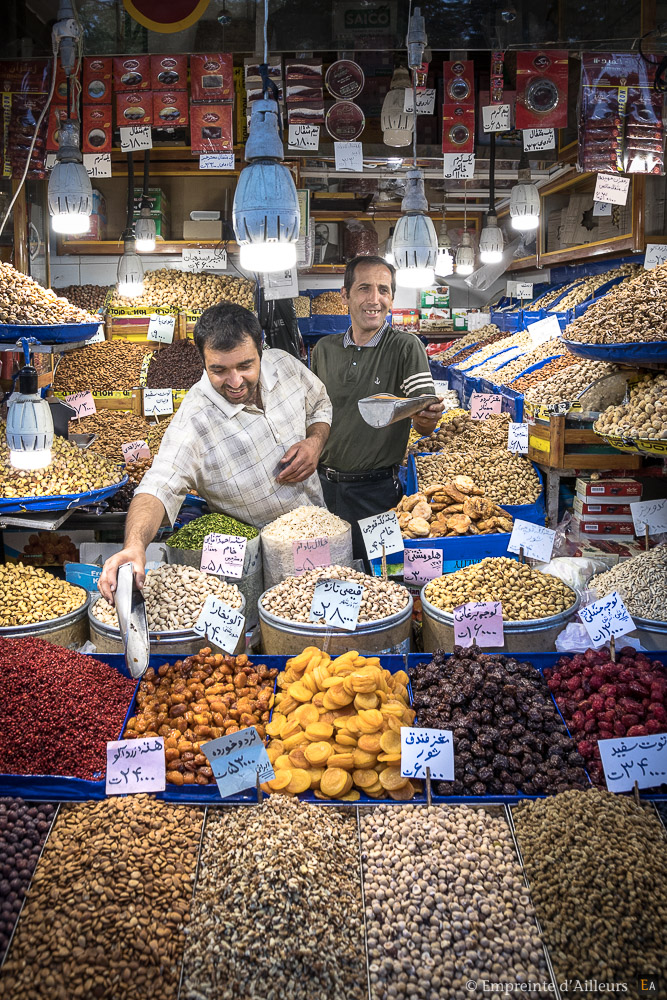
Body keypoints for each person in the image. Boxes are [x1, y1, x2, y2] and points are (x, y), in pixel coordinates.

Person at [98, 302, 332, 603]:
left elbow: (320, 405)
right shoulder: (195, 419)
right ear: (203, 361)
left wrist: (315, 441)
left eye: (245, 366)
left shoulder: (285, 366)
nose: (235, 382)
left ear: (261, 350)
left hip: (321, 534)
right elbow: (158, 484)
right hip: (254, 562)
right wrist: (134, 546)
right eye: (219, 370)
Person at [311, 255, 444, 558]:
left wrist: (427, 415)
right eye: (364, 289)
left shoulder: (405, 346)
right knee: (322, 576)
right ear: (344, 295)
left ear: (392, 298)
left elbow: (423, 422)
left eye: (383, 290)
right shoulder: (324, 350)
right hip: (322, 488)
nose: (375, 300)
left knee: (381, 580)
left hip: (377, 494)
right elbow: (313, 413)